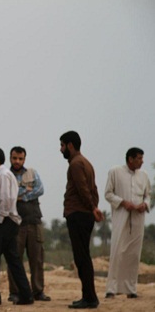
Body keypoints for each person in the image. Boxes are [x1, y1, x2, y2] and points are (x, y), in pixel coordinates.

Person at [0, 147, 34, 306]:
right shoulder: (5, 174)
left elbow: (5, 199)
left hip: (5, 222)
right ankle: (26, 295)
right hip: (10, 222)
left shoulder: (3, 175)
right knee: (13, 259)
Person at [59, 131, 103, 309]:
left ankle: (90, 298)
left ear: (70, 145)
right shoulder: (86, 163)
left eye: (62, 145)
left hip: (78, 214)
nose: (60, 149)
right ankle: (88, 296)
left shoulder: (76, 164)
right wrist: (93, 207)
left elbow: (84, 189)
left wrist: (92, 207)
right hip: (84, 214)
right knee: (83, 256)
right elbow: (94, 189)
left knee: (82, 257)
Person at [104, 147, 151, 299]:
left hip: (138, 218)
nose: (142, 161)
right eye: (139, 158)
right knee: (117, 252)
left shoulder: (144, 175)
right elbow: (108, 194)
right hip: (121, 216)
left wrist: (145, 204)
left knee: (134, 254)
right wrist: (123, 202)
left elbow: (148, 196)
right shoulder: (115, 172)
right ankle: (111, 289)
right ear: (130, 159)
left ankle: (131, 288)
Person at [7, 146, 51, 302]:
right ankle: (14, 292)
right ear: (10, 158)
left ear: (24, 159)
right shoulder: (7, 175)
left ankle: (38, 291)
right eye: (14, 158)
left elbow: (40, 189)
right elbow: (9, 195)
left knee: (37, 259)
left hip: (34, 222)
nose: (17, 161)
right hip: (14, 224)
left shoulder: (32, 173)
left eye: (20, 158)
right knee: (14, 259)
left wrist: (22, 195)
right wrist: (26, 190)